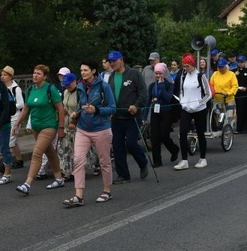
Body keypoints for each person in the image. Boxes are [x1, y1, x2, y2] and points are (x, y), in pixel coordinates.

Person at [63, 60, 116, 207]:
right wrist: (76, 113)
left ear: (93, 71)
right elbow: (81, 105)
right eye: (81, 70)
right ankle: (78, 195)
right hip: (83, 129)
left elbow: (112, 108)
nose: (83, 73)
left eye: (85, 70)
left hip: (101, 129)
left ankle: (107, 191)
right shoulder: (80, 86)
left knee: (104, 162)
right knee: (78, 160)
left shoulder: (103, 86)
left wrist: (97, 110)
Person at [12, 64, 65, 195]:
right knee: (50, 153)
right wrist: (17, 124)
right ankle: (59, 179)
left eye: (39, 73)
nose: (35, 75)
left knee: (36, 153)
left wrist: (61, 127)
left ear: (45, 76)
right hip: (36, 126)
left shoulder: (50, 89)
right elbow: (25, 109)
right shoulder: (30, 90)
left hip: (49, 126)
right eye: (34, 73)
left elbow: (60, 108)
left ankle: (27, 184)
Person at [107, 50, 149, 184]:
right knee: (117, 145)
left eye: (114, 61)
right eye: (110, 61)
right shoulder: (111, 77)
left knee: (131, 143)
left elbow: (143, 94)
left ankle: (143, 163)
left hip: (132, 116)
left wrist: (136, 106)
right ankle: (123, 175)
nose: (112, 63)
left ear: (121, 60)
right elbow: (109, 96)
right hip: (117, 117)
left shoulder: (134, 74)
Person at [174, 53, 212, 170]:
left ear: (192, 65)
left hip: (199, 109)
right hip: (186, 109)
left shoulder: (201, 76)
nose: (185, 69)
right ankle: (184, 160)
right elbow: (180, 91)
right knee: (183, 133)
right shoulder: (183, 76)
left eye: (187, 66)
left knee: (200, 133)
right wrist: (182, 101)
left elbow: (208, 94)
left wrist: (199, 103)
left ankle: (202, 158)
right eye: (184, 66)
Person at [143, 62, 179, 167]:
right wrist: (144, 116)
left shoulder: (168, 85)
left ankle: (174, 149)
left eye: (160, 73)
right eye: (156, 73)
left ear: (164, 73)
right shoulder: (152, 86)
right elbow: (148, 102)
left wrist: (162, 86)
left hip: (166, 112)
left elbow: (168, 98)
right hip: (155, 112)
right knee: (154, 137)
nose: (158, 76)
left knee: (164, 135)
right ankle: (157, 161)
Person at [0, 66, 25, 171]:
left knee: (10, 141)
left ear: (10, 76)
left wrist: (9, 106)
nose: (2, 77)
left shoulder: (16, 89)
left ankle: (7, 163)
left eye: (5, 75)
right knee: (12, 141)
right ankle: (19, 160)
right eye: (2, 75)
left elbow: (21, 104)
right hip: (6, 117)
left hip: (15, 117)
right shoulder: (2, 88)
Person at [210, 58, 239, 128]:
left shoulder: (231, 74)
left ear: (226, 66)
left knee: (229, 116)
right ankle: (220, 128)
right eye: (219, 67)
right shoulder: (215, 74)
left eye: (222, 67)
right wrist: (212, 92)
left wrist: (229, 92)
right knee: (219, 115)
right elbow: (211, 84)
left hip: (229, 99)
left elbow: (235, 86)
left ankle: (228, 130)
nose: (220, 68)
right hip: (218, 99)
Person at [234, 55, 247, 133]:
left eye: (241, 62)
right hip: (238, 93)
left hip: (246, 93)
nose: (240, 64)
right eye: (239, 62)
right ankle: (239, 128)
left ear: (244, 62)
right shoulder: (234, 71)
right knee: (240, 110)